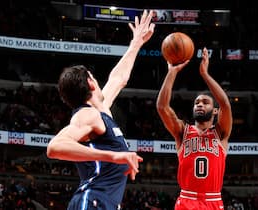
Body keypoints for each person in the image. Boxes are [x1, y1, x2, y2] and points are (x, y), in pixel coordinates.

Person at [46, 10, 155, 210]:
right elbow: (54, 147)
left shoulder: (101, 109)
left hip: (102, 202)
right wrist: (113, 156)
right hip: (93, 200)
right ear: (91, 82)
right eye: (94, 77)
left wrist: (136, 43)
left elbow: (118, 79)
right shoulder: (87, 115)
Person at [156, 47, 232, 210]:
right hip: (186, 199)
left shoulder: (220, 133)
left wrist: (205, 74)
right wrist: (172, 72)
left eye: (205, 102)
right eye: (197, 102)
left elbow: (225, 103)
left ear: (215, 110)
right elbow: (162, 107)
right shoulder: (182, 131)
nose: (199, 104)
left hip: (213, 200)